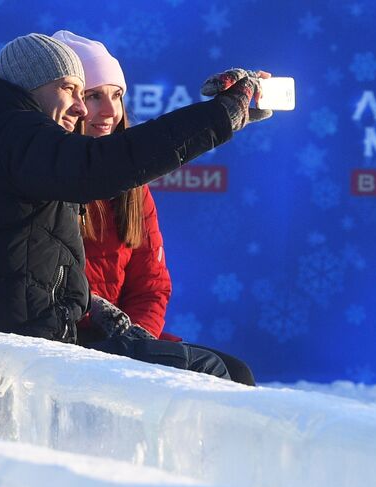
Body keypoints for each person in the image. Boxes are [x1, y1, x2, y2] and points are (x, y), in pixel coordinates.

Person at [0, 32, 268, 381]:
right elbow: (103, 166)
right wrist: (222, 115)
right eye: (72, 90)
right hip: (22, 351)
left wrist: (105, 314)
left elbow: (12, 265)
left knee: (229, 370)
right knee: (215, 373)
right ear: (32, 85)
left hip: (20, 338)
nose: (83, 109)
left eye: (108, 95)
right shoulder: (16, 135)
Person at [53, 30, 255, 385]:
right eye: (93, 96)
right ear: (72, 105)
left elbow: (151, 285)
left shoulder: (133, 188)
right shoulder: (51, 175)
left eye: (116, 96)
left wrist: (136, 340)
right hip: (71, 340)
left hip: (126, 337)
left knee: (236, 374)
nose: (109, 110)